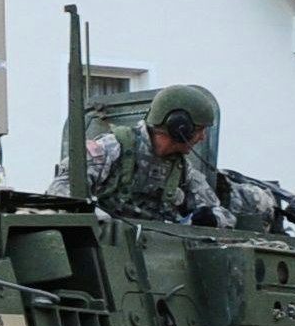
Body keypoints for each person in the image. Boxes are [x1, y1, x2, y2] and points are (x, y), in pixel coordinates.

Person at [78, 85, 230, 225]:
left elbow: (224, 215)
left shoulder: (182, 169)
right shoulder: (110, 149)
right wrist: (94, 216)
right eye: (199, 130)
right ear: (180, 128)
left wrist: (210, 219)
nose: (203, 137)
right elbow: (63, 198)